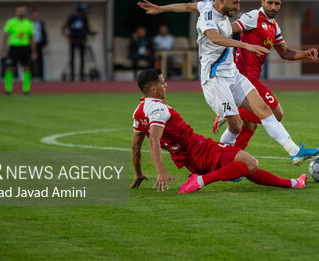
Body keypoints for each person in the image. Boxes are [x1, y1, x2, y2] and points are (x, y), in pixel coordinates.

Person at [137, 0, 319, 165]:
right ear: (222, 1)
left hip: (233, 73)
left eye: (238, 2)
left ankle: (294, 151)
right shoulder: (208, 16)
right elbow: (215, 37)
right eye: (235, 3)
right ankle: (221, 161)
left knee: (265, 110)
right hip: (214, 78)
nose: (238, 7)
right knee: (236, 125)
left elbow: (186, 6)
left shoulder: (207, 4)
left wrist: (161, 8)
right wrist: (245, 44)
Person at [130, 69, 307, 193]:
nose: (166, 85)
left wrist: (138, 173)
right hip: (198, 148)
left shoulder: (138, 112)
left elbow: (135, 146)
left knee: (245, 166)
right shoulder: (158, 110)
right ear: (153, 88)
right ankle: (200, 181)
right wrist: (161, 171)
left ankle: (293, 184)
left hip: (189, 158)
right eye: (162, 83)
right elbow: (153, 140)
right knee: (251, 163)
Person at [220, 0, 318, 149]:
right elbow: (228, 30)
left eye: (277, 4)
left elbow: (285, 52)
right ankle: (228, 112)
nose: (273, 7)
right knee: (276, 113)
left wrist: (306, 53)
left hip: (252, 77)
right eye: (270, 3)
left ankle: (230, 160)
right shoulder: (253, 16)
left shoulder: (274, 26)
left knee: (250, 124)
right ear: (262, 2)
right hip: (244, 77)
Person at [1, 5, 36, 95]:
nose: (21, 12)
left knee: (26, 68)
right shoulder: (11, 22)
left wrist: (34, 51)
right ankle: (8, 89)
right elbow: (5, 36)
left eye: (23, 11)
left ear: (26, 13)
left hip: (25, 47)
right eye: (19, 11)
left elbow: (32, 38)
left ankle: (26, 89)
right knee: (10, 68)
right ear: (16, 12)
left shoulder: (29, 23)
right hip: (13, 47)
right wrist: (3, 49)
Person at [62, 3, 92, 81]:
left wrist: (91, 33)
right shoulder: (71, 17)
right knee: (72, 58)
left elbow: (88, 28)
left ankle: (81, 76)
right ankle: (72, 76)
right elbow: (63, 28)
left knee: (82, 58)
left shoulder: (84, 18)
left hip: (82, 41)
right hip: (73, 40)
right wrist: (68, 37)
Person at [30, 8, 48, 80]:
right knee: (30, 61)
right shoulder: (28, 23)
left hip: (39, 44)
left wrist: (45, 42)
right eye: (34, 15)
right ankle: (31, 76)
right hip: (30, 44)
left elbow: (44, 33)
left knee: (40, 61)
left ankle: (41, 77)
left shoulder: (41, 23)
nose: (36, 16)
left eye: (37, 15)